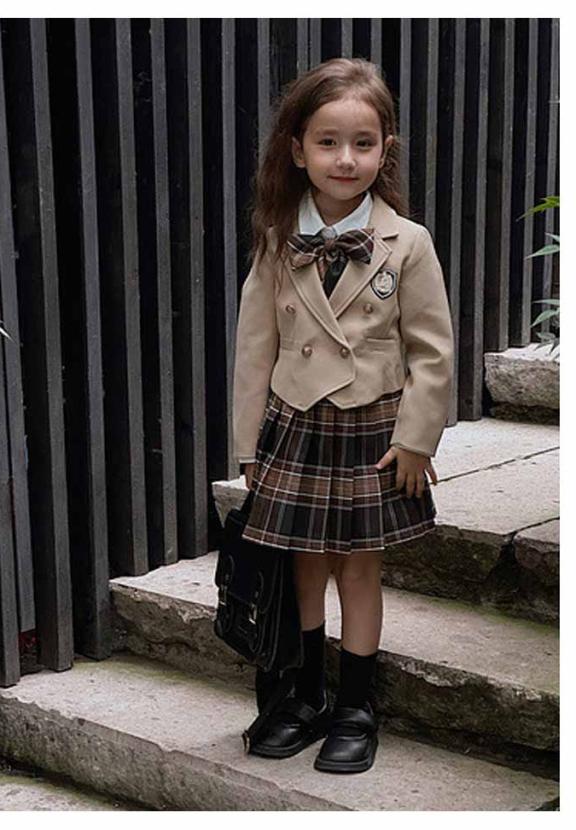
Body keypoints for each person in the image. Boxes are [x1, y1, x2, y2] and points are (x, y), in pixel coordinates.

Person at [231, 57, 454, 775]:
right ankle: (306, 695)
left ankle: (357, 706)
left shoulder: (407, 242)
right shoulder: (277, 238)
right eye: (328, 142)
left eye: (363, 143)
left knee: (359, 571)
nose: (345, 159)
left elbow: (433, 352)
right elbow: (254, 349)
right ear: (297, 149)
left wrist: (417, 440)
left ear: (386, 149)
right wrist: (248, 446)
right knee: (306, 567)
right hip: (295, 427)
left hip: (373, 432)